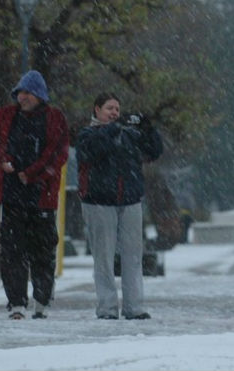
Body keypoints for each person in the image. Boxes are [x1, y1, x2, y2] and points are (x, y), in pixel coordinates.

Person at [0, 70, 69, 320]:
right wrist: (1, 159)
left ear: (39, 95)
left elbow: (57, 153)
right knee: (12, 251)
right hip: (12, 195)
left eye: (27, 93)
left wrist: (31, 173)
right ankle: (16, 302)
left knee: (42, 250)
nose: (23, 97)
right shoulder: (6, 116)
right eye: (20, 93)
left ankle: (42, 299)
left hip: (42, 196)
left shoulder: (54, 118)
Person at [76, 93, 163, 320]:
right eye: (109, 108)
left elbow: (154, 151)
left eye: (117, 109)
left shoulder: (129, 135)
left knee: (133, 257)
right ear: (96, 110)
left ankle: (134, 307)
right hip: (99, 202)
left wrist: (147, 128)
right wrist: (113, 130)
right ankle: (107, 307)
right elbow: (91, 151)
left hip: (130, 200)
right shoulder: (87, 134)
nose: (114, 113)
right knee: (103, 258)